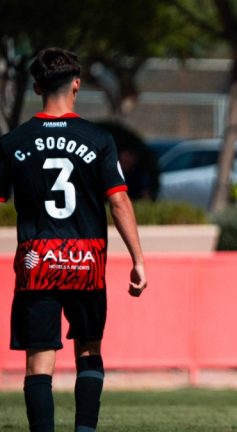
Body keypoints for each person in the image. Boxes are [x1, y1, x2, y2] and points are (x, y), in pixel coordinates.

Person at [0, 48, 147, 432]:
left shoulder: (13, 142)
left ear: (35, 87)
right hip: (86, 261)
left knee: (38, 362)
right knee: (88, 351)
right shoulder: (97, 139)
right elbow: (118, 200)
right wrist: (138, 260)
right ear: (77, 84)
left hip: (37, 263)